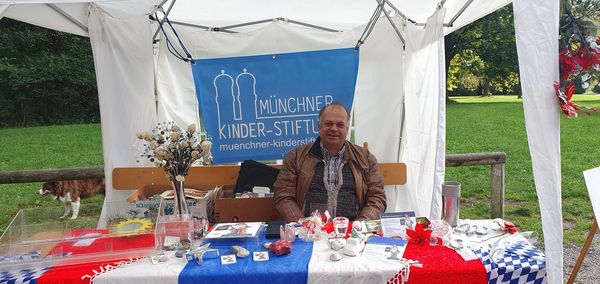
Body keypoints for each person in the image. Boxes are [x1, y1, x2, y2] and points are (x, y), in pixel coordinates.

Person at [274, 102, 386, 222]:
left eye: (340, 125)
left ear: (347, 128)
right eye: (328, 124)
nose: (334, 129)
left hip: (353, 234)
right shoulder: (295, 157)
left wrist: (361, 225)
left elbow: (377, 197)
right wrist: (301, 224)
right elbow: (284, 196)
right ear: (319, 126)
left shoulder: (366, 159)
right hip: (309, 234)